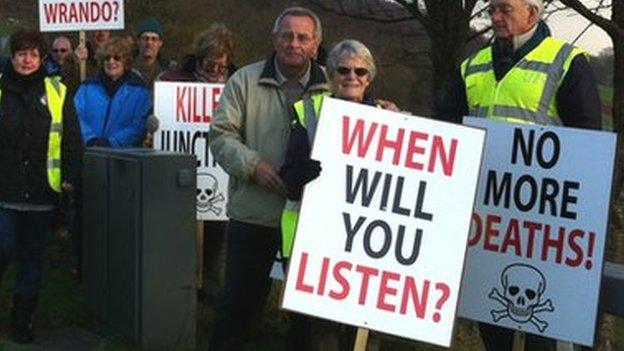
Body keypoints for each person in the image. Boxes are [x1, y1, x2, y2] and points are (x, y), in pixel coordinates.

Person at [438, 0, 601, 350]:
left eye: (504, 10)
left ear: (532, 13)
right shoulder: (471, 65)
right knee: (491, 323)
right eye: (491, 9)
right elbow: (445, 133)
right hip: (485, 222)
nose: (495, 17)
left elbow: (588, 146)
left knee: (542, 334)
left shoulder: (568, 62)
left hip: (543, 230)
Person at [208, 7, 329, 350]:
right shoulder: (243, 80)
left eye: (303, 37)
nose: (294, 43)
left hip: (309, 221)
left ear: (315, 44)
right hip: (254, 213)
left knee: (307, 317)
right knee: (237, 308)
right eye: (287, 35)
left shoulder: (331, 85)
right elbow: (220, 136)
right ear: (275, 39)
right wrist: (252, 164)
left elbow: (359, 126)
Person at [280, 39, 400, 350]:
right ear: (332, 75)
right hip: (316, 242)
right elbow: (289, 177)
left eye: (360, 71)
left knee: (365, 332)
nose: (352, 77)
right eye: (343, 70)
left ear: (369, 77)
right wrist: (304, 173)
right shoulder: (307, 111)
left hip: (369, 246)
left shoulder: (390, 118)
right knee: (322, 334)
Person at [0, 28, 82, 343]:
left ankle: (23, 321)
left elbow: (72, 141)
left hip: (41, 194)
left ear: (42, 58)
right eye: (21, 53)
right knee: (3, 247)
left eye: (34, 54)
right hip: (3, 193)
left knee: (32, 260)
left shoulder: (59, 92)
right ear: (13, 55)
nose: (27, 59)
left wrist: (70, 179)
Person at [158, 23, 236, 302]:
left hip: (221, 172)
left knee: (216, 232)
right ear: (200, 57)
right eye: (210, 63)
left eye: (221, 64)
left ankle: (210, 286)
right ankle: (178, 287)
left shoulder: (237, 83)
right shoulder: (172, 79)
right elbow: (158, 115)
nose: (216, 69)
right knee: (180, 230)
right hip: (181, 167)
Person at [74, 37, 151, 148]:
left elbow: (140, 124)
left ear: (126, 61)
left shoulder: (139, 90)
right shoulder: (87, 87)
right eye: (107, 58)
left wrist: (112, 142)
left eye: (117, 58)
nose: (111, 61)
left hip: (124, 156)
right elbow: (76, 115)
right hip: (89, 152)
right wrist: (90, 139)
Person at [133, 17, 175, 89]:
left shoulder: (170, 70)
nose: (149, 43)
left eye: (154, 39)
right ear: (138, 41)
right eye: (145, 38)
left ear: (160, 43)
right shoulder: (127, 68)